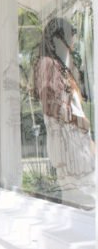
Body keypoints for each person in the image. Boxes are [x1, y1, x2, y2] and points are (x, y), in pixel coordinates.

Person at [33, 17, 95, 207]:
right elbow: (52, 107)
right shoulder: (47, 64)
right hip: (69, 150)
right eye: (70, 38)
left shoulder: (59, 65)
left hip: (79, 147)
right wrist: (80, 122)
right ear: (57, 38)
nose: (73, 44)